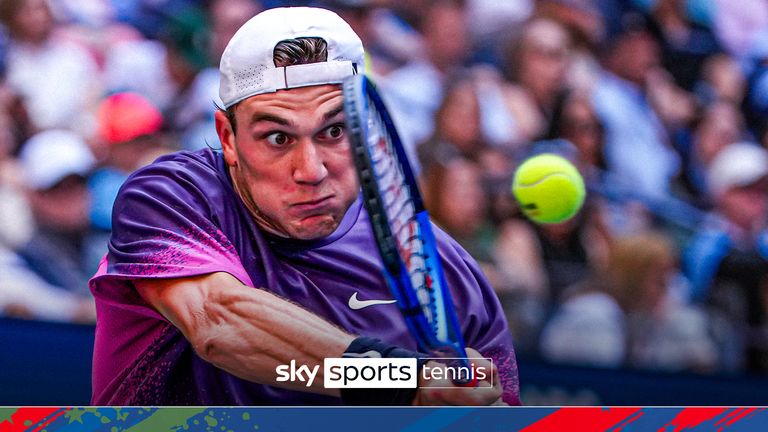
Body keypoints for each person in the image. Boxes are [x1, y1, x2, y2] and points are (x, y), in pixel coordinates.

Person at [89, 7, 519, 406]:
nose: (310, 170)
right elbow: (217, 321)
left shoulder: (446, 270)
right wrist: (399, 379)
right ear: (228, 138)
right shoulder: (169, 197)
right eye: (278, 138)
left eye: (333, 131)